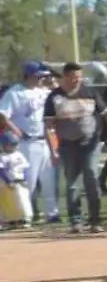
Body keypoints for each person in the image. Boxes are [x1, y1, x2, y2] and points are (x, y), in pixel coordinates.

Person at [45, 63, 107, 233]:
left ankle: (95, 220)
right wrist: (53, 150)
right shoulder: (55, 97)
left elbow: (106, 113)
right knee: (72, 184)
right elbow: (48, 126)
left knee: (91, 176)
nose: (77, 80)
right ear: (65, 77)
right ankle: (76, 220)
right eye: (74, 77)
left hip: (90, 143)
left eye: (80, 76)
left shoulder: (89, 92)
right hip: (67, 145)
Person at [0, 63, 56, 226]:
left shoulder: (44, 91)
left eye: (43, 76)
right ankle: (24, 214)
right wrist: (17, 132)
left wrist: (53, 85)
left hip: (45, 139)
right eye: (39, 76)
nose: (42, 79)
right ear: (29, 75)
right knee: (27, 181)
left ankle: (52, 213)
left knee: (49, 178)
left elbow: (57, 100)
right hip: (26, 141)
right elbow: (3, 115)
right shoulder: (15, 92)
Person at [0, 132, 29, 228]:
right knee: (8, 202)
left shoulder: (19, 155)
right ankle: (9, 220)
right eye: (10, 145)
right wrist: (8, 181)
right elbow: (2, 171)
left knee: (22, 200)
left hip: (19, 182)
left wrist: (25, 179)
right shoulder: (3, 157)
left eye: (15, 145)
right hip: (7, 183)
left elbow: (24, 168)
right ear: (4, 145)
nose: (13, 147)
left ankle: (23, 219)